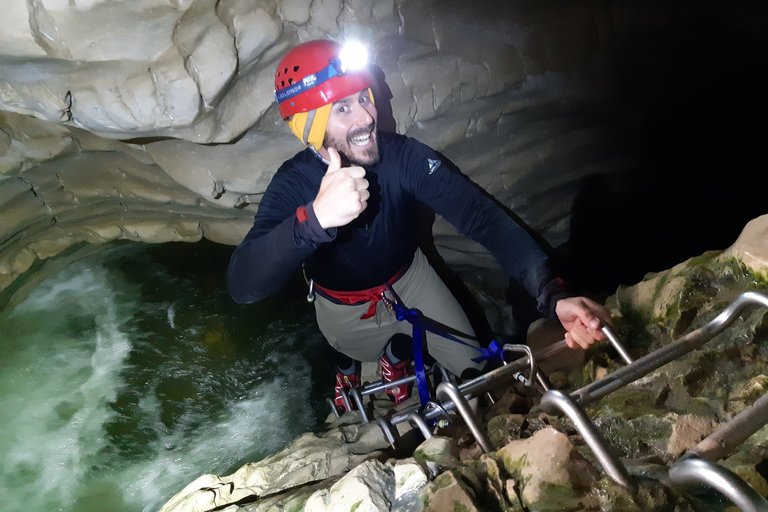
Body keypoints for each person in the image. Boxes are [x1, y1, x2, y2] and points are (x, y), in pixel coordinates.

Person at [227, 39, 610, 410]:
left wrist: (553, 293)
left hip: (413, 280)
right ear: (308, 126)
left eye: (363, 97)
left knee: (480, 373)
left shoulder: (404, 157)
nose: (366, 117)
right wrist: (314, 220)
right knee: (354, 353)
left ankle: (399, 357)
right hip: (344, 307)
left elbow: (482, 218)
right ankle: (352, 369)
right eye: (342, 109)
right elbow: (244, 285)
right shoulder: (293, 183)